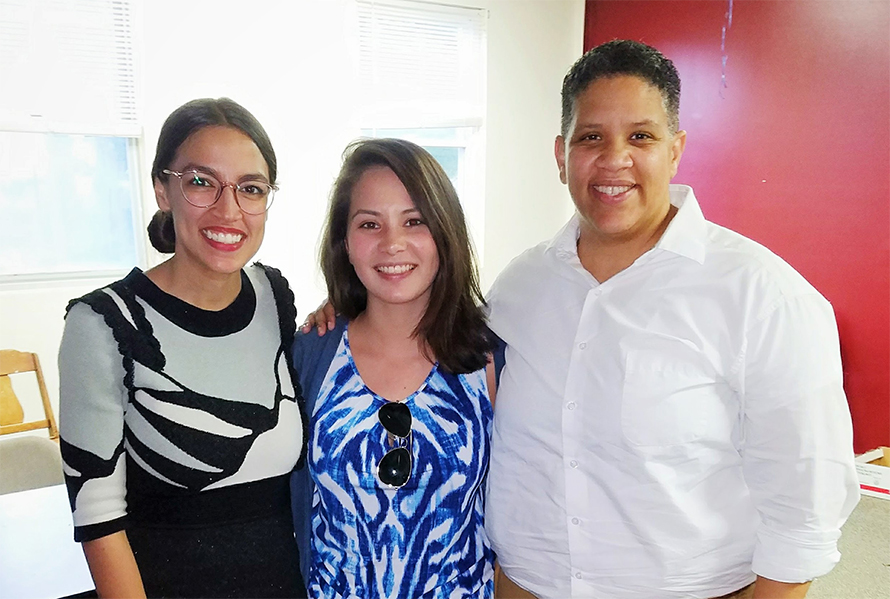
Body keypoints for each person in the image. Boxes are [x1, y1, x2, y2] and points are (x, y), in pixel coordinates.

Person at [485, 40, 860, 599]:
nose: (615, 159)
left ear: (675, 150)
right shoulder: (520, 286)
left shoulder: (761, 293)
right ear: (561, 154)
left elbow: (805, 501)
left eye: (641, 136)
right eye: (591, 137)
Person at [59, 98, 307, 598]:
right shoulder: (103, 323)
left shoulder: (274, 296)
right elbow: (98, 521)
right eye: (200, 182)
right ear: (162, 190)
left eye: (251, 189)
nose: (228, 209)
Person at [291, 138, 498, 598]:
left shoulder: (490, 358)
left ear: (445, 232)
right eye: (369, 223)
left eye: (414, 221)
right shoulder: (310, 356)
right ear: (345, 243)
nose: (392, 243)